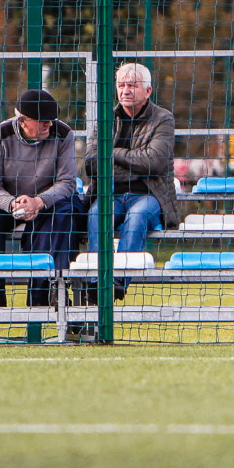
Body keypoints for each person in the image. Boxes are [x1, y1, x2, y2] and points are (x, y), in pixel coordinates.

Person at [0, 89, 85, 307]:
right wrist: (13, 203)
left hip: (51, 201)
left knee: (64, 214)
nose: (49, 125)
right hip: (10, 201)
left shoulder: (63, 134)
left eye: (51, 120)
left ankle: (53, 287)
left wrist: (39, 201)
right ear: (23, 121)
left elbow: (67, 182)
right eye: (42, 121)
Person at [83, 63, 178, 302]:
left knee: (137, 217)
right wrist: (134, 164)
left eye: (132, 85)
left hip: (149, 193)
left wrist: (112, 153)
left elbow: (153, 163)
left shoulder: (163, 119)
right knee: (97, 216)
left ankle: (117, 281)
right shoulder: (106, 118)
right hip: (109, 192)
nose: (125, 90)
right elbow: (91, 164)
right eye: (121, 85)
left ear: (147, 91)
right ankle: (96, 282)